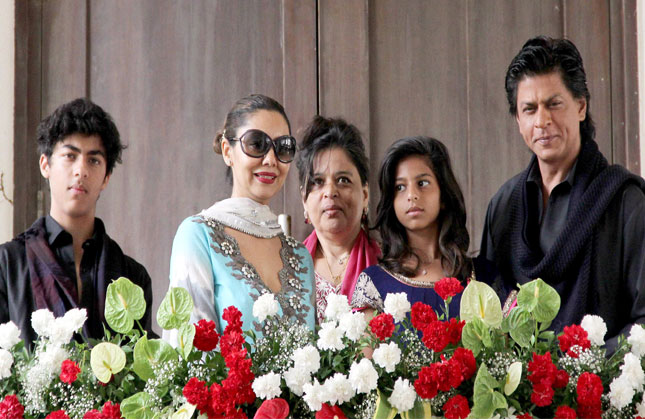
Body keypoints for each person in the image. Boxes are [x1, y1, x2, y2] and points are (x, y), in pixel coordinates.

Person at [480, 36, 645, 350]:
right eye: (529, 109)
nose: (542, 121)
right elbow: (487, 311)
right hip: (521, 395)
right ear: (518, 120)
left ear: (581, 106)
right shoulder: (503, 207)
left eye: (554, 104)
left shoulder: (626, 203)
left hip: (602, 390)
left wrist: (583, 369)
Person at [0, 98, 154, 348]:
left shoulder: (132, 277)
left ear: (106, 177)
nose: (80, 170)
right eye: (70, 156)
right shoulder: (8, 266)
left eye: (94, 160)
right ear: (45, 164)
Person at [163, 94, 315, 344]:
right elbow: (192, 353)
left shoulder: (300, 256)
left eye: (283, 147)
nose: (270, 160)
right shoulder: (198, 236)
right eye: (256, 144)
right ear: (227, 151)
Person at [351, 136, 472, 318]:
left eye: (422, 183)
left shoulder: (481, 276)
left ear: (444, 195)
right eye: (400, 187)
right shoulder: (376, 283)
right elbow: (366, 347)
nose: (411, 195)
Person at [296, 116, 380, 323]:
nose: (330, 192)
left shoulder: (389, 266)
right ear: (304, 200)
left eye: (343, 180)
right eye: (318, 182)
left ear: (365, 194)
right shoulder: (288, 270)